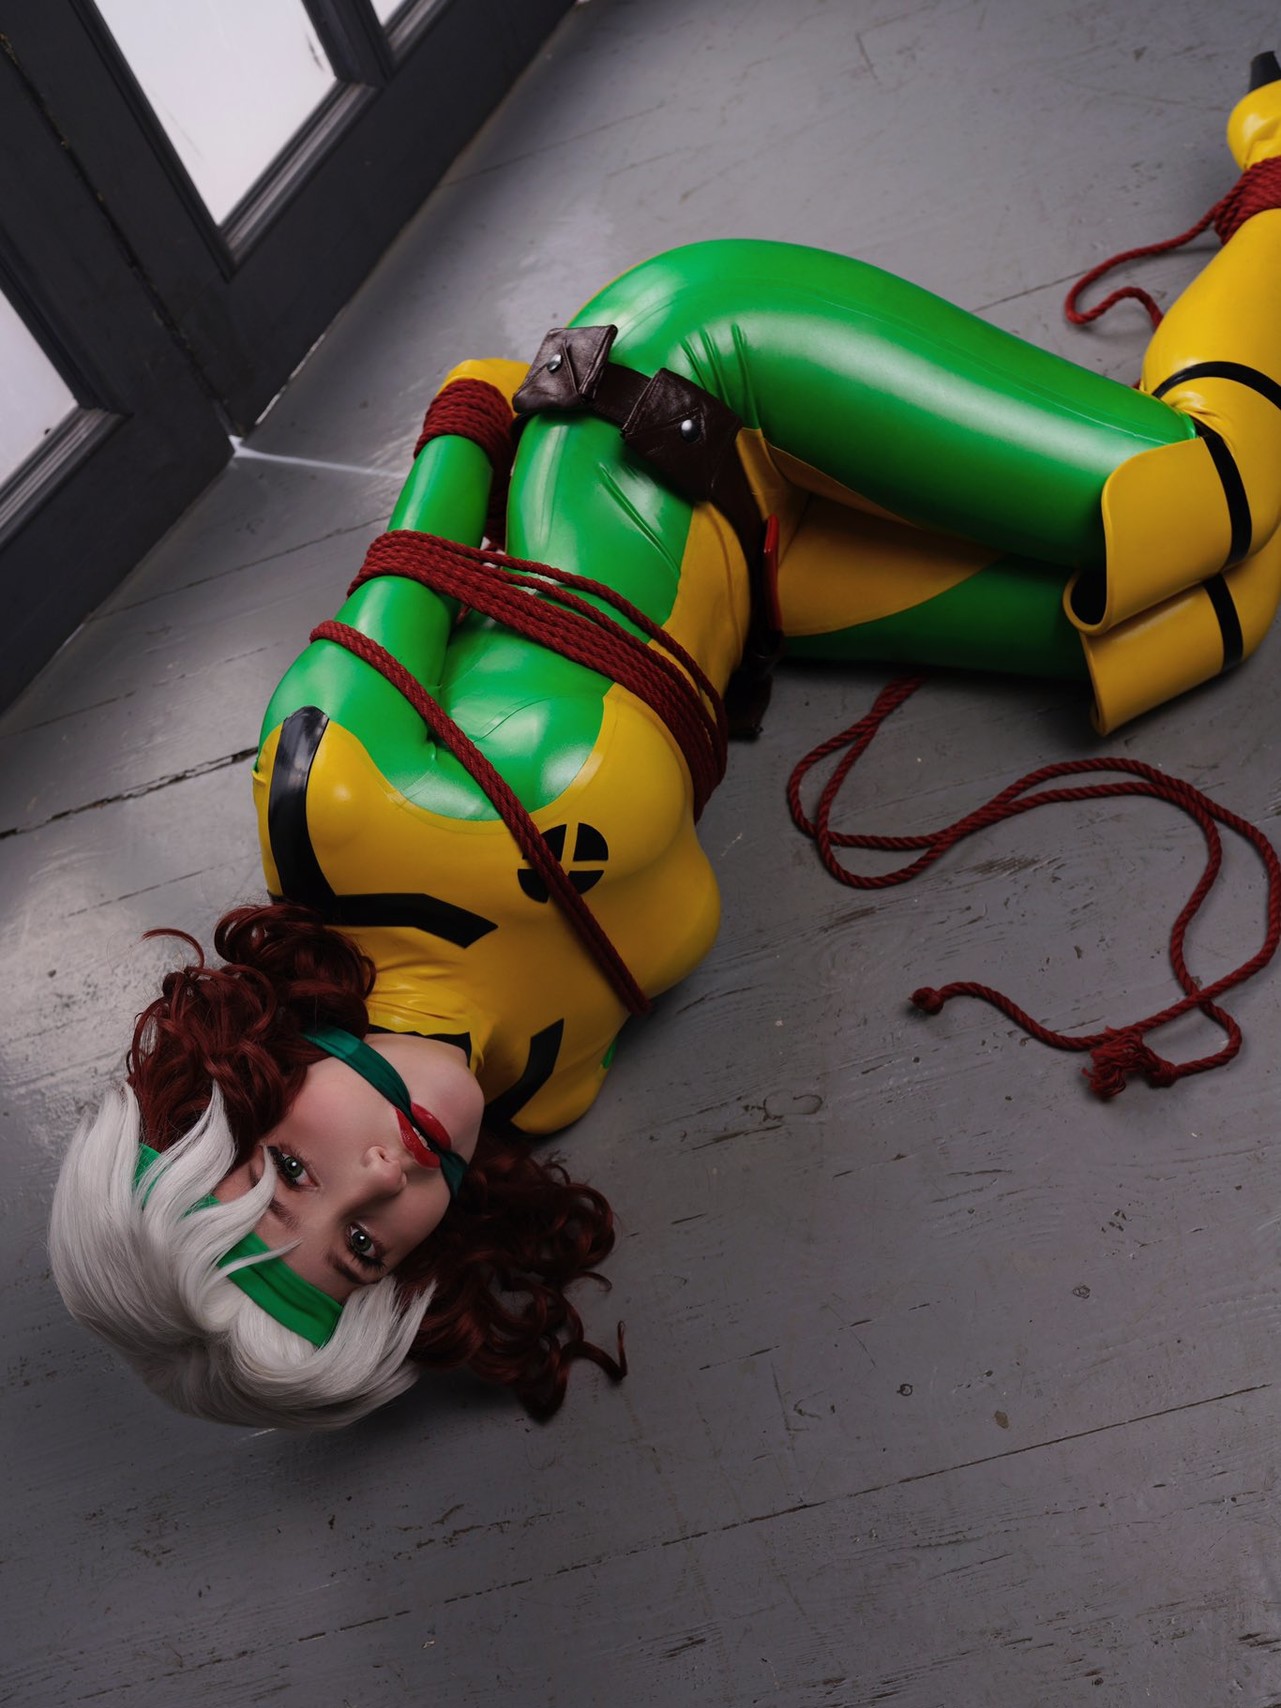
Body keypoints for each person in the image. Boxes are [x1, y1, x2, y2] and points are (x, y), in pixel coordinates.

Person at [49, 58, 1281, 1431]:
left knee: (1210, 496)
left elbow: (431, 508)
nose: (383, 1179)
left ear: (247, 1081)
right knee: (1209, 618)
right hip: (758, 587)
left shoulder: (333, 802)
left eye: (292, 1170)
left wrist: (482, 415)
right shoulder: (545, 1080)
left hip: (693, 388)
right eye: (363, 1247)